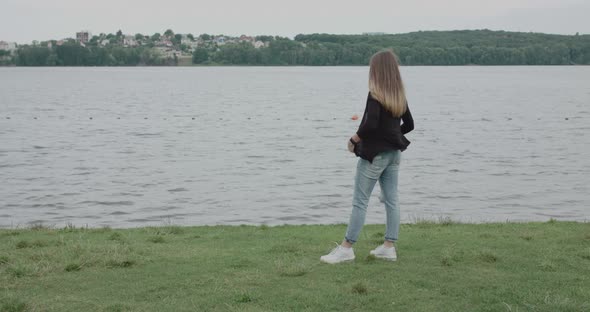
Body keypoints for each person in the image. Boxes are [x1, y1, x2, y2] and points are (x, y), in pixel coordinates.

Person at [320, 50, 414, 264]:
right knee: (392, 199)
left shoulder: (375, 94)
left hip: (374, 156)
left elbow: (370, 124)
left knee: (360, 202)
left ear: (377, 71)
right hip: (394, 155)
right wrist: (392, 136)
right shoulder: (399, 96)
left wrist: (354, 140)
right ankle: (389, 247)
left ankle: (346, 248)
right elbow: (409, 125)